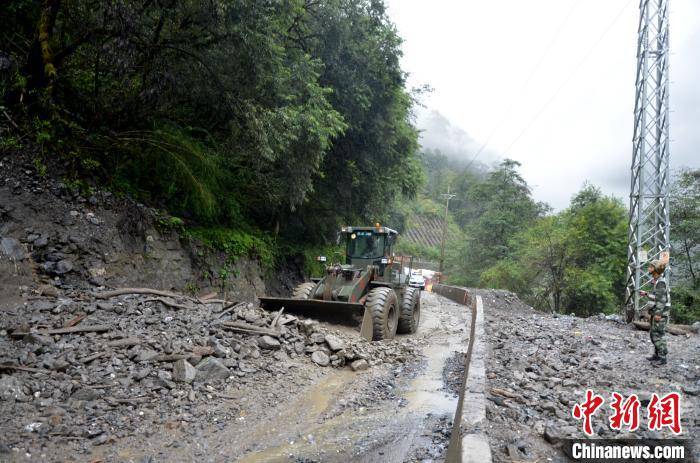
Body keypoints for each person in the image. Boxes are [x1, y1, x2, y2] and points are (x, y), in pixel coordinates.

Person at [639, 260, 670, 366]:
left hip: (659, 313)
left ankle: (662, 358)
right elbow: (656, 297)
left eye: (650, 267)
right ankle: (656, 355)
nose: (649, 268)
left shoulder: (661, 282)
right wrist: (647, 294)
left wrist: (658, 314)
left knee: (658, 335)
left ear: (655, 269)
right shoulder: (657, 281)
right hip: (655, 312)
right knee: (653, 334)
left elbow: (662, 300)